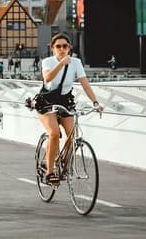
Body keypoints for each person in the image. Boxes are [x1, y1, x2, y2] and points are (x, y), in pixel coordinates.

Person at [36, 32, 103, 184]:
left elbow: (85, 84)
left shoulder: (76, 63)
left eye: (65, 46)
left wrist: (95, 102)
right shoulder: (48, 61)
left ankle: (63, 163)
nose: (61, 49)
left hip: (65, 101)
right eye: (58, 46)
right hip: (47, 102)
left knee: (71, 136)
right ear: (52, 48)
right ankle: (50, 171)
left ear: (69, 48)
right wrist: (61, 64)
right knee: (54, 133)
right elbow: (47, 78)